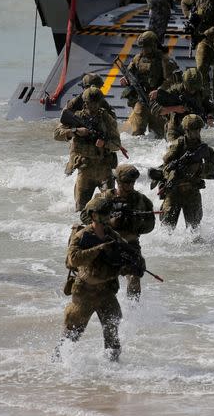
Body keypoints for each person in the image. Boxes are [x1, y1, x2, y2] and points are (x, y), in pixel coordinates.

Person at [56, 196, 145, 362]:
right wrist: (99, 249)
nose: (106, 217)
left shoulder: (113, 236)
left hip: (106, 293)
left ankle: (113, 370)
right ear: (93, 216)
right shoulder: (82, 236)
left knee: (112, 337)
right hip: (85, 293)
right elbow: (73, 260)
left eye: (107, 213)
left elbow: (123, 259)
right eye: (102, 214)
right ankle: (58, 366)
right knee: (71, 335)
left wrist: (134, 264)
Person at [80, 165, 156, 300]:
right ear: (118, 182)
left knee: (134, 277)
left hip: (129, 243)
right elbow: (85, 217)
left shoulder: (141, 200)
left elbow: (150, 225)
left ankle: (133, 311)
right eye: (127, 182)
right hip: (105, 242)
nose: (131, 185)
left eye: (133, 182)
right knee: (98, 279)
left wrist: (136, 222)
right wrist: (108, 221)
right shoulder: (103, 198)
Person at [54, 87, 122, 211]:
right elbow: (57, 134)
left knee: (110, 208)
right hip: (85, 170)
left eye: (97, 103)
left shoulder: (106, 118)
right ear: (85, 103)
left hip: (104, 170)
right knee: (81, 209)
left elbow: (117, 144)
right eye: (92, 103)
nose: (95, 106)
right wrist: (75, 131)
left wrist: (105, 144)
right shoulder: (76, 117)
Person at [159, 115, 214, 230]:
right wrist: (173, 174)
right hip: (174, 191)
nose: (196, 132)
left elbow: (210, 170)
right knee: (166, 230)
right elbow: (166, 166)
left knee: (194, 232)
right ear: (186, 130)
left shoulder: (205, 149)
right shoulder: (177, 145)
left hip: (192, 191)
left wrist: (197, 169)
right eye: (193, 130)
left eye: (198, 129)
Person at [120, 30, 177, 138]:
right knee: (136, 133)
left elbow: (172, 79)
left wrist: (159, 90)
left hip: (159, 101)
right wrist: (125, 79)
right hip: (142, 99)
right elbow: (129, 73)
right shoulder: (138, 58)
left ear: (154, 45)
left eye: (146, 47)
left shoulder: (164, 60)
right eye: (142, 47)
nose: (144, 49)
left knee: (160, 135)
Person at [152, 67, 214, 142]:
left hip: (193, 129)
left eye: (195, 89)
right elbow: (155, 110)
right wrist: (175, 108)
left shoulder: (201, 93)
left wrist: (210, 116)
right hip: (175, 127)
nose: (192, 91)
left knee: (198, 150)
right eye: (190, 88)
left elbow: (212, 109)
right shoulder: (174, 91)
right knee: (175, 148)